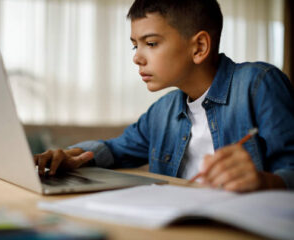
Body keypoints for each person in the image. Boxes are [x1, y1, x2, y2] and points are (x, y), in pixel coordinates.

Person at [34, 0, 294, 192]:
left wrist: (266, 181)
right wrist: (72, 155)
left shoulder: (259, 85)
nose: (136, 57)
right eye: (135, 45)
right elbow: (114, 149)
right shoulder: (163, 111)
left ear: (199, 47)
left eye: (151, 43)